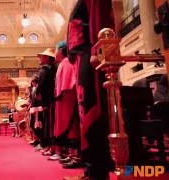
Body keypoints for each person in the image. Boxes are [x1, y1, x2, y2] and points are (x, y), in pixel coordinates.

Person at [63, 0, 115, 179]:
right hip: (81, 57)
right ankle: (90, 168)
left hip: (89, 54)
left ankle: (97, 170)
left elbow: (99, 18)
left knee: (93, 109)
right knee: (85, 111)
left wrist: (96, 49)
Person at [36, 48, 57, 153]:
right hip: (51, 100)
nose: (40, 58)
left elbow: (42, 86)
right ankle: (50, 146)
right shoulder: (53, 69)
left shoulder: (44, 70)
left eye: (43, 57)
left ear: (48, 58)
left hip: (47, 101)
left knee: (49, 124)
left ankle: (51, 147)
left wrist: (37, 94)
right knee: (49, 123)